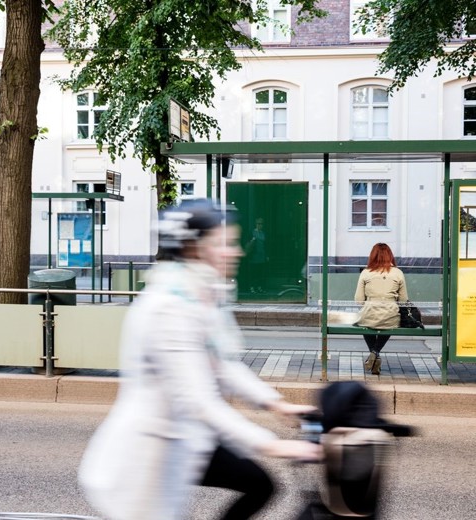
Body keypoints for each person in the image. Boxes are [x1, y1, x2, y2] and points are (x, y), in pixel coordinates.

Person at [78, 199, 322, 520]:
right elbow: (199, 400)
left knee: (259, 485)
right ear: (194, 248)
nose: (237, 252)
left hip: (188, 439)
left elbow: (222, 364)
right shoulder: (168, 307)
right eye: (226, 244)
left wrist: (277, 405)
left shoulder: (200, 294)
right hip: (148, 457)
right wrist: (274, 446)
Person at [354, 243, 408, 375]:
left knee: (364, 323)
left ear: (372, 256)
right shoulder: (398, 273)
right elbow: (403, 300)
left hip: (369, 313)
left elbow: (359, 300)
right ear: (390, 256)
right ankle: (375, 353)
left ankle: (374, 355)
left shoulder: (366, 273)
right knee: (389, 324)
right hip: (390, 314)